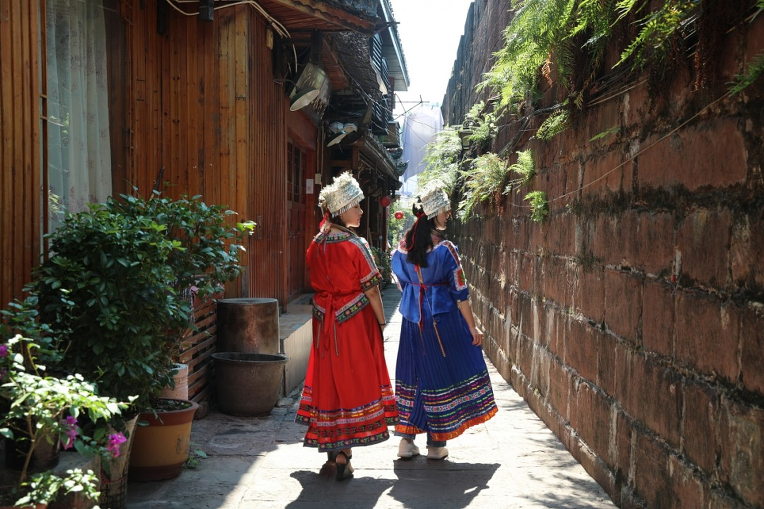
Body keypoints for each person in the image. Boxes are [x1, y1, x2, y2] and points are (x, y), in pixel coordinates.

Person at [295, 172, 398, 481]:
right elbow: (372, 290)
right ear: (341, 210)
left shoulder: (316, 244)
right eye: (356, 206)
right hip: (353, 323)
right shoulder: (356, 245)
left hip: (324, 321)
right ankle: (345, 453)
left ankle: (333, 449)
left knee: (329, 380)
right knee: (353, 381)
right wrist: (381, 322)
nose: (361, 211)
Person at [391, 180, 498, 460]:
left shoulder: (402, 248)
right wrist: (472, 327)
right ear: (433, 213)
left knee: (413, 375)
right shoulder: (446, 249)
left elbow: (402, 284)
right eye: (445, 210)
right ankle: (436, 444)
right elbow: (461, 293)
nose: (448, 215)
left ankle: (405, 441)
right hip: (441, 320)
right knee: (439, 375)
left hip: (411, 321)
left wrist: (417, 292)